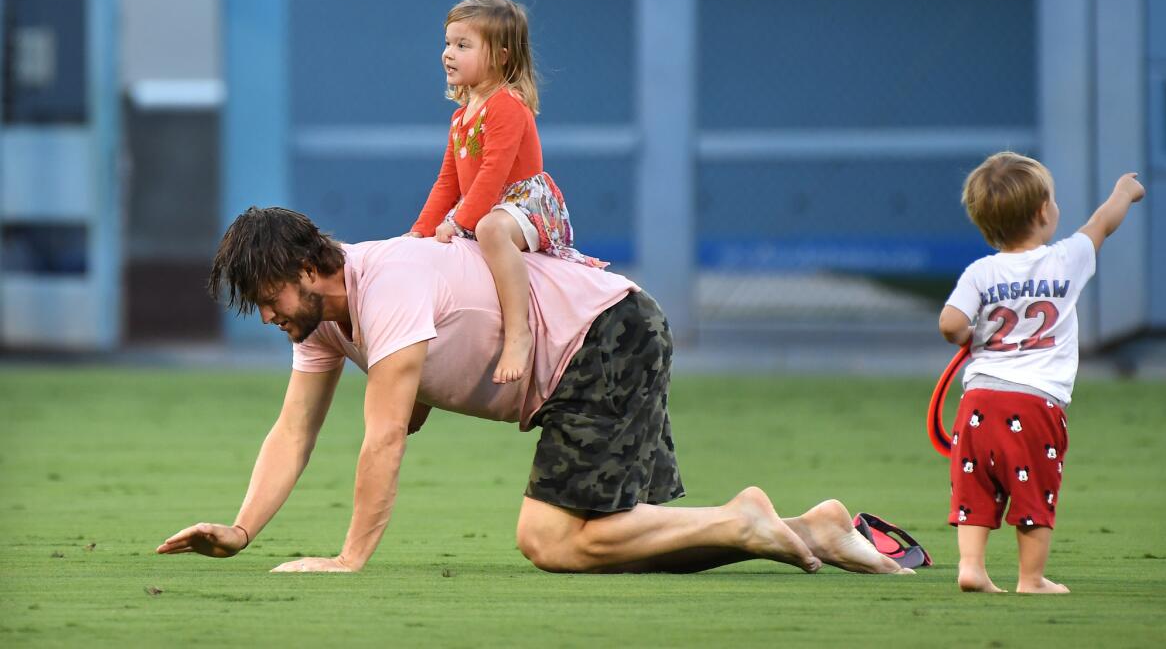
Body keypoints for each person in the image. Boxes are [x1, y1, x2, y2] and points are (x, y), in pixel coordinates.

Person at [157, 206, 911, 577]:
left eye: (267, 297)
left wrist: (350, 560)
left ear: (305, 271)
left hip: (607, 336)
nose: (264, 316)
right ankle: (804, 530)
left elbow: (384, 433)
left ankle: (749, 521)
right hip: (599, 346)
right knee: (604, 540)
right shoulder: (321, 323)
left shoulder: (383, 283)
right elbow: (293, 432)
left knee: (548, 540)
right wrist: (241, 530)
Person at [938, 152, 1145, 593]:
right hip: (1035, 404)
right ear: (1042, 212)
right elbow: (1102, 223)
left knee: (975, 486)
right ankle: (1030, 579)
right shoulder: (1066, 259)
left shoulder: (980, 272)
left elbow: (950, 325)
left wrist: (971, 335)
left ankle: (971, 566)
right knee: (1034, 490)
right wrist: (1123, 192)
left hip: (978, 400)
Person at [408, 0, 603, 386]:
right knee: (430, 251)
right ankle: (424, 373)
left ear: (500, 56)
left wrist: (461, 221)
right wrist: (421, 229)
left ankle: (519, 334)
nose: (448, 53)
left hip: (521, 203)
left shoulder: (507, 106)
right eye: (447, 43)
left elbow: (495, 173)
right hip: (483, 203)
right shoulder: (461, 116)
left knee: (490, 230)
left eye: (463, 45)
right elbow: (447, 181)